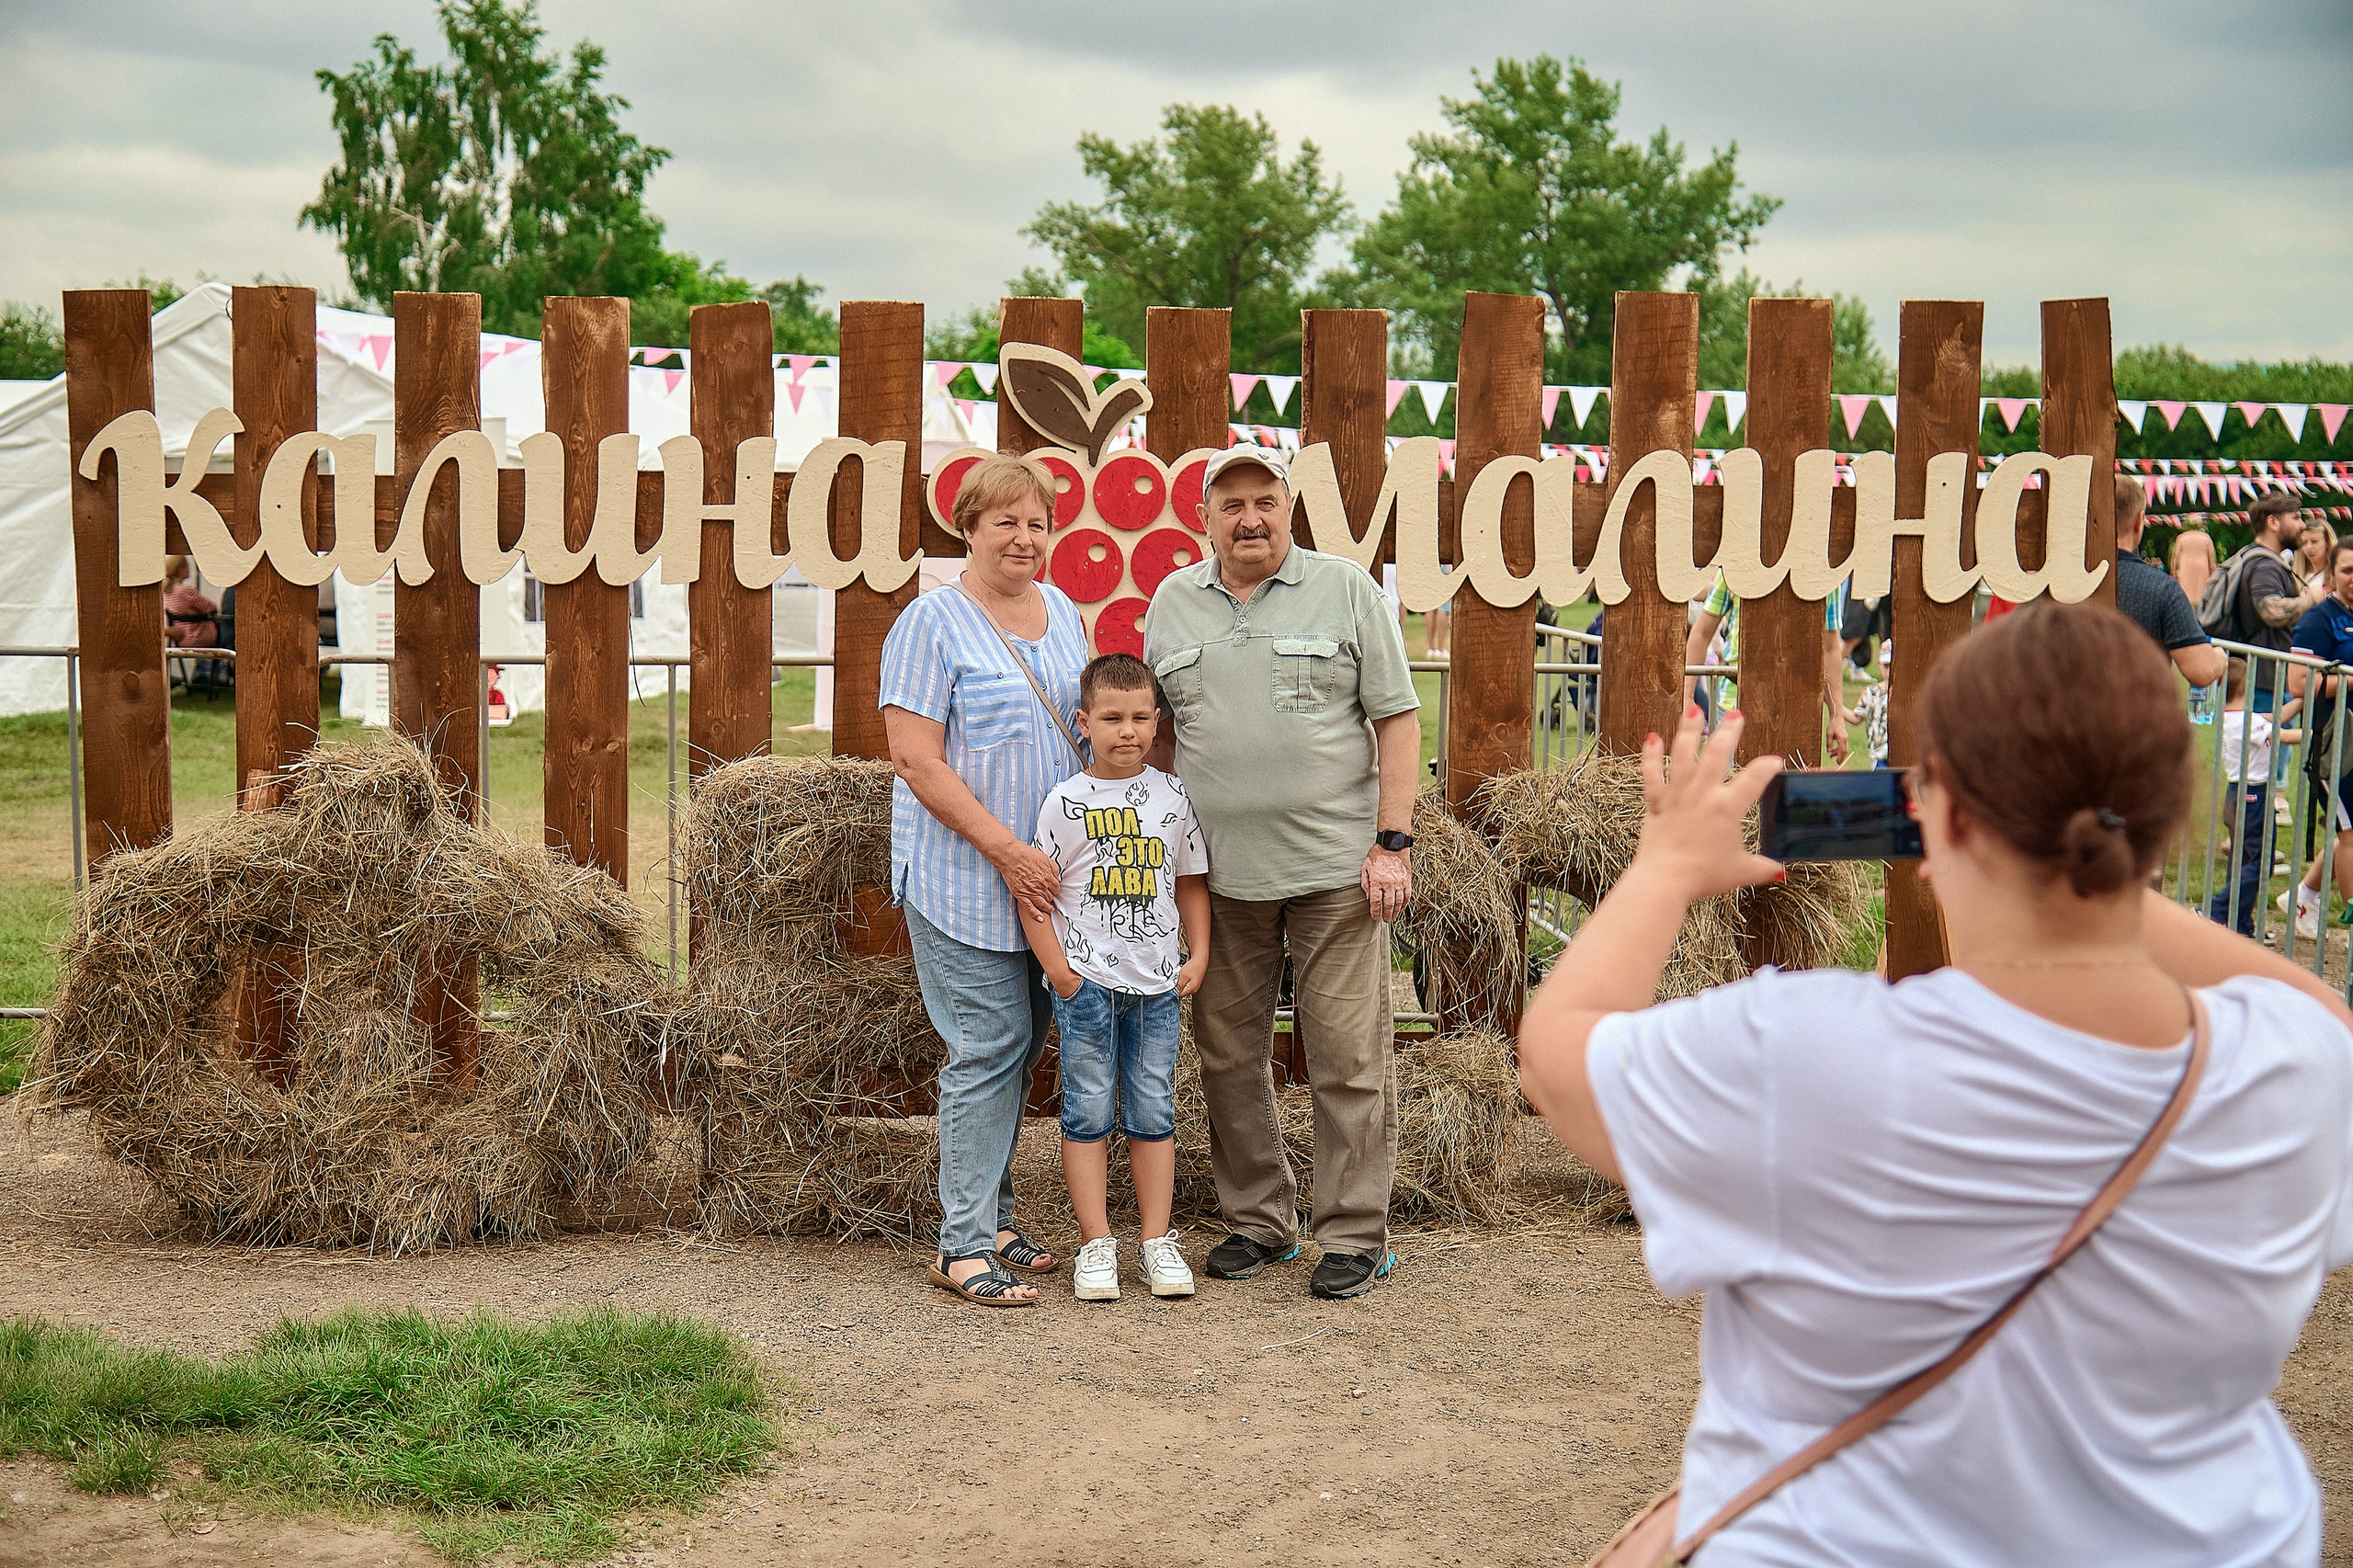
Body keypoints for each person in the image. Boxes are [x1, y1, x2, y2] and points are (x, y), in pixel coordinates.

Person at [1517, 602, 2353, 1563]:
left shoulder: (1808, 1057)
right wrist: (2107, 890)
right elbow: (2321, 1014)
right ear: (2165, 816)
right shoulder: (2292, 1067)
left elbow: (1555, 1053)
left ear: (1938, 810)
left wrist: (1661, 870)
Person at [1142, 444, 1422, 1301]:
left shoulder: (1346, 589)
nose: (1250, 518)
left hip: (1337, 871)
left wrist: (1393, 843)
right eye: (1232, 505)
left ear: (1289, 508)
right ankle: (1260, 1222)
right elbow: (1159, 735)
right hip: (1215, 879)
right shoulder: (1173, 604)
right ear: (1206, 518)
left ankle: (1353, 1235)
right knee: (1228, 1055)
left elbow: (1399, 720)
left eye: (1265, 500)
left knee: (1344, 1056)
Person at [881, 452, 1089, 1308]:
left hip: (1048, 887)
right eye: (1005, 521)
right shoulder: (930, 623)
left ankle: (996, 1221)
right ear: (967, 528)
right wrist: (1006, 850)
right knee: (987, 1049)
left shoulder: (1066, 612)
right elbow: (914, 759)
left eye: (1037, 522)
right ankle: (961, 1245)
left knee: (1018, 1050)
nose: (1024, 537)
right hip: (966, 879)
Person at [1020, 653, 1211, 1302]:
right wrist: (1059, 972)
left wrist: (1200, 953)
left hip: (1156, 985)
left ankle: (1157, 1242)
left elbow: (1189, 880)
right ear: (1083, 722)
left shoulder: (1172, 794)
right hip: (1089, 987)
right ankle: (1096, 1244)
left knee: (1154, 1108)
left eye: (1138, 718)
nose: (1126, 731)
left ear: (1158, 722)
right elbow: (1034, 892)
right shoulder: (1065, 802)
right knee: (1089, 1109)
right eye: (1111, 718)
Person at [1680, 572, 1852, 761]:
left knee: (1788, 788)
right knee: (1731, 786)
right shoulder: (1736, 566)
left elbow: (1829, 648)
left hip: (1796, 710)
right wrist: (1687, 696)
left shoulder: (1822, 572)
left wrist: (1837, 717)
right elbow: (1701, 633)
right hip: (1734, 702)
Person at [2279, 537, 2353, 939]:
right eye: (2347, 570)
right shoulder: (2319, 620)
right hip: (2336, 745)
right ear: (2332, 574)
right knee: (2350, 834)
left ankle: (2304, 894)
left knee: (2348, 828)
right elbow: (2297, 682)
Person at [2112, 476, 2224, 691]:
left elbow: (2175, 558)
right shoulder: (2161, 589)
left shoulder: (2059, 584)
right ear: (2139, 521)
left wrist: (2176, 570)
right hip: (2136, 712)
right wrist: (2219, 659)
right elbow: (2202, 670)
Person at [2211, 657, 2297, 935]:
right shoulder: (2247, 722)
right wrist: (2312, 732)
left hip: (2237, 796)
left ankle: (2239, 923)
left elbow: (2279, 717)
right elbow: (2283, 735)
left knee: (2242, 861)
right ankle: (2216, 910)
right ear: (2246, 688)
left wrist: (2304, 698)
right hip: (2253, 798)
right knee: (2261, 863)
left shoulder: (2235, 717)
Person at [2219, 492, 2316, 713]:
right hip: (2268, 681)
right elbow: (2271, 612)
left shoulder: (2253, 557)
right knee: (2268, 745)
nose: (2302, 525)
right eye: (2295, 517)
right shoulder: (2265, 566)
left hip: (2262, 677)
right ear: (2273, 522)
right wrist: (2313, 599)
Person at [160, 554, 218, 649]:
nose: (189, 569)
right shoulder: (186, 591)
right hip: (198, 637)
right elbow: (211, 607)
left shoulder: (165, 592)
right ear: (181, 570)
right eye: (187, 566)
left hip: (180, 639)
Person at [1857, 638, 1891, 768]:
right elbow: (1857, 717)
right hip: (1879, 754)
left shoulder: (1906, 694)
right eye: (1886, 665)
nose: (1889, 670)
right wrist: (1836, 708)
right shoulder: (1871, 692)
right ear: (1879, 664)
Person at [2170, 525, 2217, 608]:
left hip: (2185, 568)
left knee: (2186, 597)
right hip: (2202, 569)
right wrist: (2213, 572)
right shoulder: (2206, 538)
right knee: (2201, 596)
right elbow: (2212, 559)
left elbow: (2175, 557)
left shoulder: (2181, 538)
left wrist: (2173, 571)